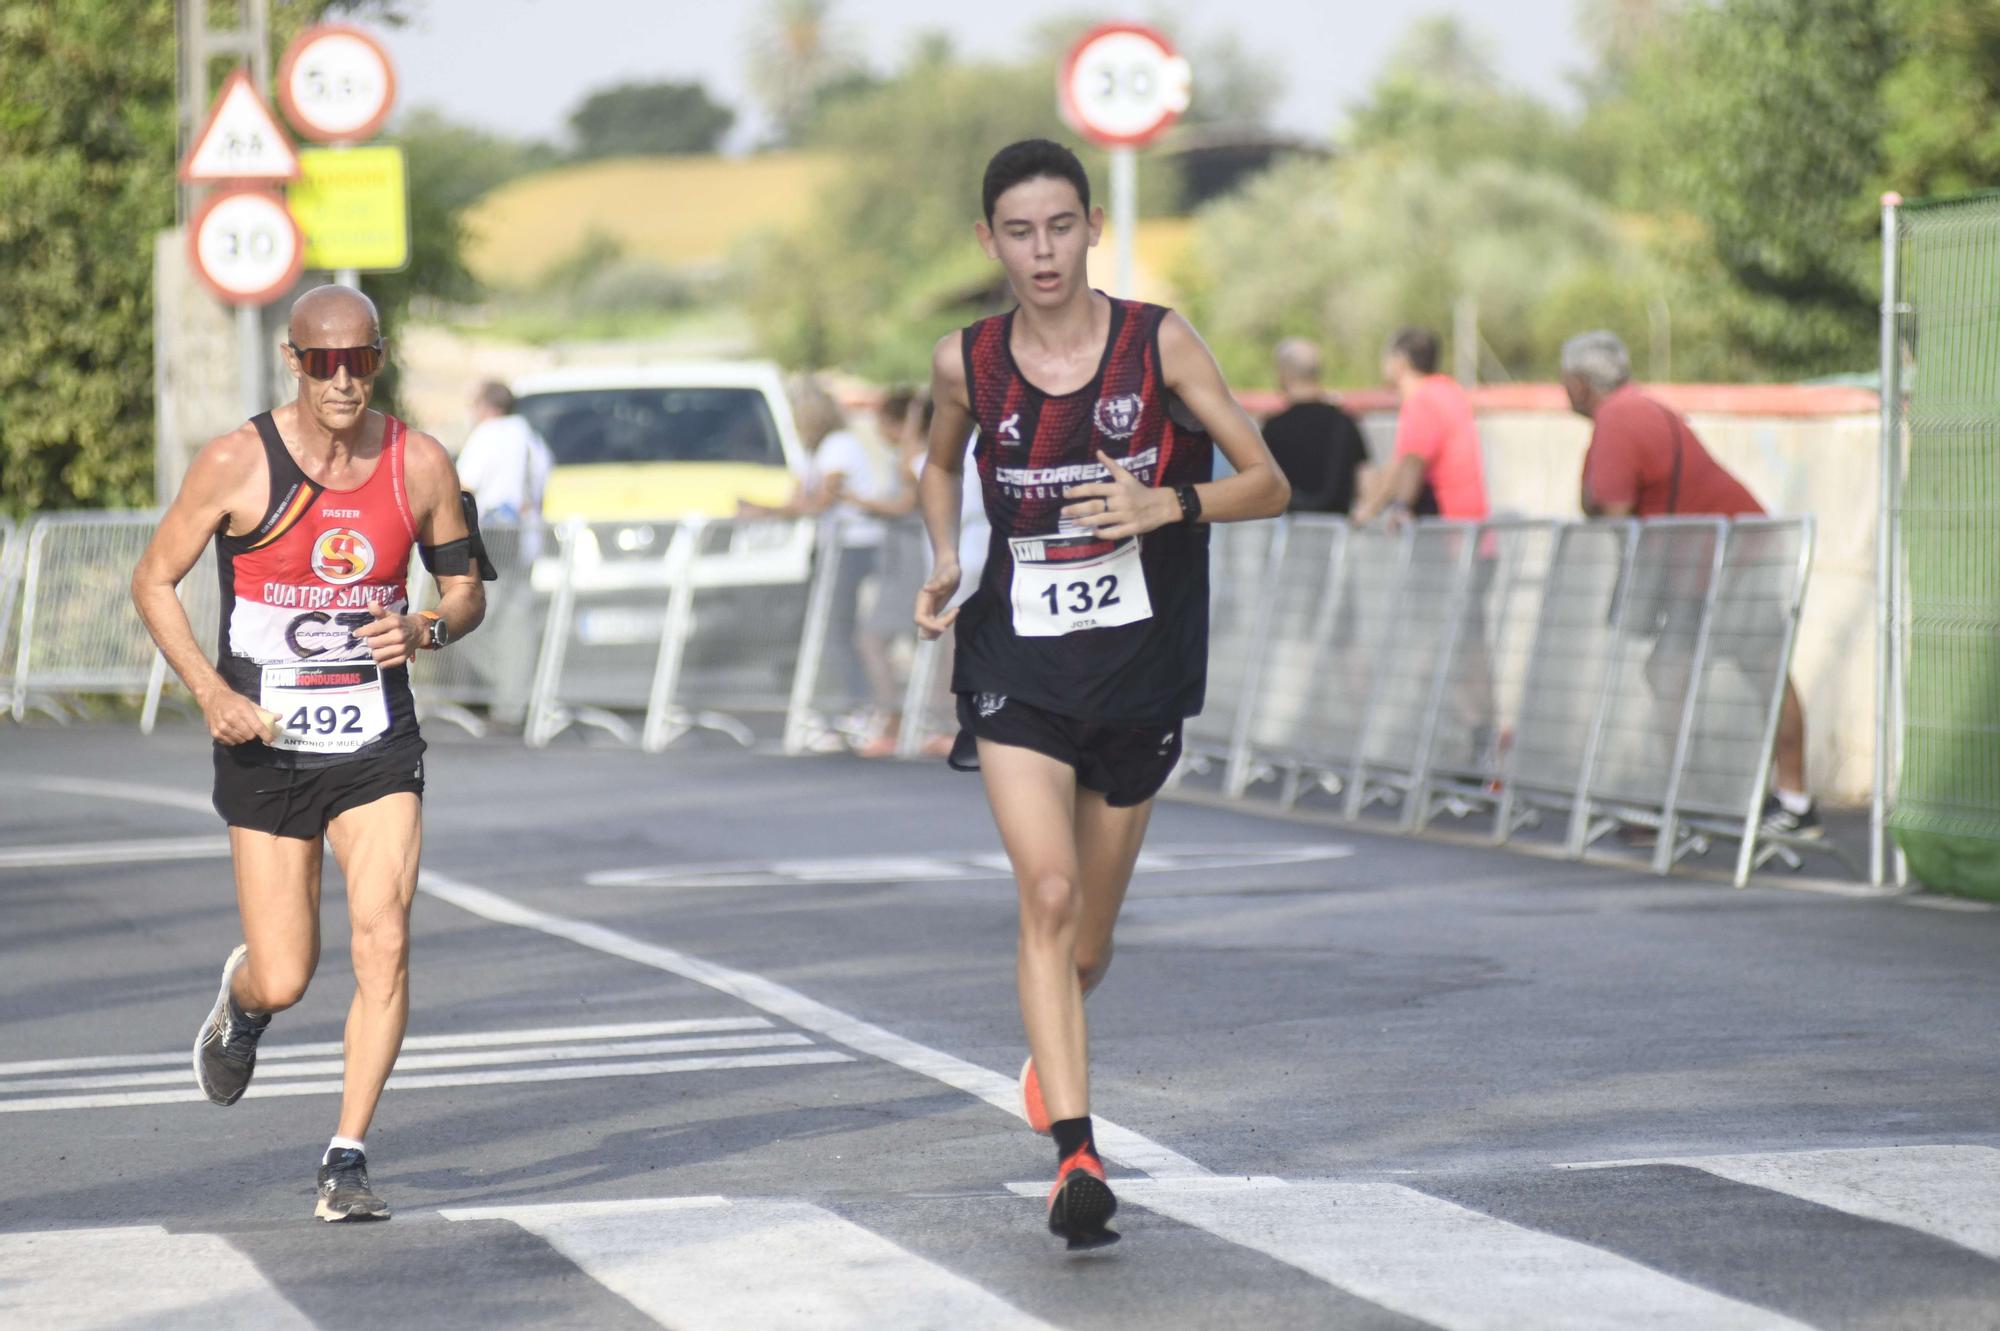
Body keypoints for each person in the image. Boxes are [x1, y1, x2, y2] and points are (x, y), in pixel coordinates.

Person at [915, 139, 1290, 1248]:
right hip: (1014, 665)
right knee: (1044, 891)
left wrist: (1166, 505)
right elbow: (937, 462)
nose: (1042, 251)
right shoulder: (965, 361)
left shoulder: (1156, 339)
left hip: (1138, 674)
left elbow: (1267, 481)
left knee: (1083, 943)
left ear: (1089, 228)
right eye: (1019, 231)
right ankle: (1075, 1151)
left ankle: (1054, 1039)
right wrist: (942, 552)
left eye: (1060, 226)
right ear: (990, 240)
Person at [131, 285, 486, 1222]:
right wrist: (212, 693)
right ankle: (243, 1005)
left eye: (360, 359)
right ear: (293, 362)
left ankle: (346, 1154)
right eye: (323, 362)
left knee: (387, 936)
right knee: (287, 970)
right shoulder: (236, 461)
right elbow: (154, 578)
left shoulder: (421, 464)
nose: (343, 379)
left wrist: (426, 630)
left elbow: (465, 592)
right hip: (269, 744)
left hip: (376, 740)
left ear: (379, 359)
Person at [1561, 329, 1820, 837]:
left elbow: (1610, 515)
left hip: (1730, 561)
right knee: (1676, 672)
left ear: (1579, 382)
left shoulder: (1618, 419)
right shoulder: (1633, 410)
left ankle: (1767, 801)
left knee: (1756, 669)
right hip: (1711, 562)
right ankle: (1714, 797)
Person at [742, 377, 898, 741]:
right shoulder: (814, 451)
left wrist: (768, 512)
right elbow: (801, 497)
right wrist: (769, 509)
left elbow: (821, 501)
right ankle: (843, 709)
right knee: (831, 630)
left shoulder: (839, 447)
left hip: (855, 546)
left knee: (841, 631)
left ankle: (859, 709)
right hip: (833, 545)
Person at [452, 381, 551, 723]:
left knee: (469, 619)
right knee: (517, 624)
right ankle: (514, 703)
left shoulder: (488, 435)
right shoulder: (532, 440)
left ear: (484, 407)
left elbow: (465, 486)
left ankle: (506, 690)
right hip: (526, 542)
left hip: (491, 542)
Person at [1352, 326, 1489, 525]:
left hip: (1444, 531)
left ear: (1400, 362)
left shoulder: (1421, 401)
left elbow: (1409, 463)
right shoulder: (1450, 391)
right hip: (1473, 529)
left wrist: (1373, 509)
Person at [1260, 337, 1370, 514]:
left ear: (1284, 373)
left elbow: (1260, 486)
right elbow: (1366, 481)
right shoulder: (1345, 422)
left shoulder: (1273, 427)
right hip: (1336, 536)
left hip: (1285, 534)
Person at [454, 381, 552, 527]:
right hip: (526, 527)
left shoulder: (485, 433)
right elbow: (543, 475)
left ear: (489, 408)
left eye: (476, 405)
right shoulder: (528, 434)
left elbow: (465, 484)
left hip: (492, 528)